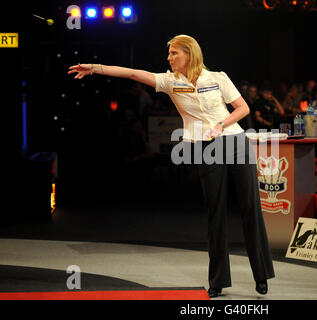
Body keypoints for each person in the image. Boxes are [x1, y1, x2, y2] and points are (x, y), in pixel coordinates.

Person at [68, 34, 275, 298]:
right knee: (216, 213)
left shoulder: (218, 78)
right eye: (169, 54)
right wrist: (96, 68)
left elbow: (242, 108)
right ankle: (218, 280)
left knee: (250, 209)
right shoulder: (169, 82)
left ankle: (261, 275)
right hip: (204, 147)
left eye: (174, 53)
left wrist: (222, 124)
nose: (169, 58)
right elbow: (132, 73)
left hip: (234, 141)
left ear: (189, 54)